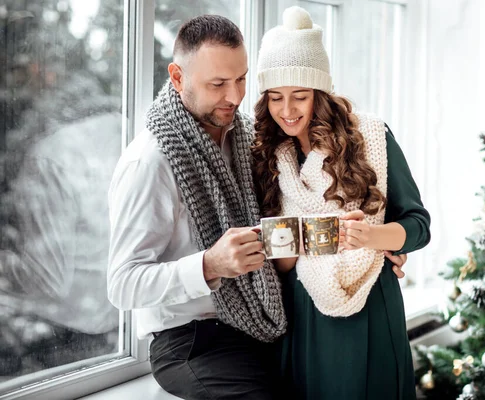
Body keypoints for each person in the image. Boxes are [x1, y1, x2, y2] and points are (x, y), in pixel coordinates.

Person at [107, 14, 409, 400]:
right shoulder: (149, 163)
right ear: (178, 78)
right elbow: (122, 285)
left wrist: (380, 243)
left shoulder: (250, 138)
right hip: (191, 342)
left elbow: (305, 206)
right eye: (218, 84)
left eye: (242, 79)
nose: (234, 97)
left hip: (260, 320)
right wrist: (209, 265)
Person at [251, 6, 431, 400]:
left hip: (370, 301)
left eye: (300, 96)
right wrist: (286, 247)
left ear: (321, 93)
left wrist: (370, 237)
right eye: (276, 97)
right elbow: (275, 256)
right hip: (301, 310)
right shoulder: (267, 154)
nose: (287, 110)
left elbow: (418, 225)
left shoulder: (371, 137)